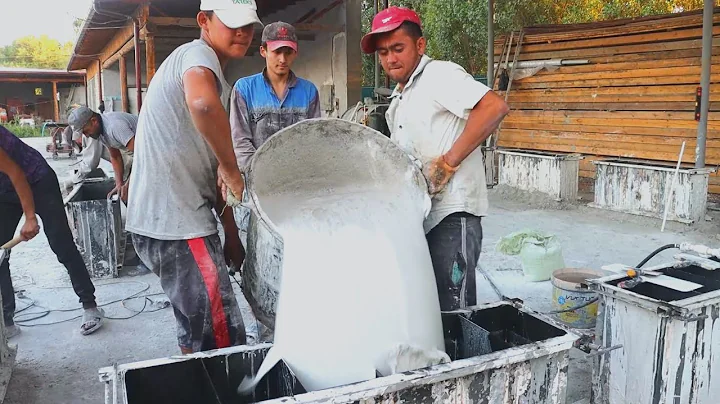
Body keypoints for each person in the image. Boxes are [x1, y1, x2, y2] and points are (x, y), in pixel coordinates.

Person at [126, 0, 261, 354]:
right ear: (204, 20)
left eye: (248, 25)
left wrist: (231, 233)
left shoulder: (214, 78)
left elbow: (211, 166)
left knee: (196, 332)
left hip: (172, 222)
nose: (242, 33)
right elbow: (202, 104)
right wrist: (233, 170)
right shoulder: (197, 55)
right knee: (224, 340)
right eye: (232, 24)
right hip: (177, 224)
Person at [361, 7, 510, 311]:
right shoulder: (401, 97)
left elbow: (494, 107)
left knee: (454, 311)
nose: (390, 59)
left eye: (398, 48)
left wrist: (448, 162)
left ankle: (460, 360)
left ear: (420, 45)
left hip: (453, 217)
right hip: (424, 218)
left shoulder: (439, 75)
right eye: (383, 52)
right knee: (429, 310)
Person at [0, 125, 105, 338]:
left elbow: (16, 173)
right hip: (4, 190)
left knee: (61, 244)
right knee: (0, 253)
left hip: (36, 180)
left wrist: (30, 217)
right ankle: (6, 321)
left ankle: (90, 306)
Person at [230, 21, 321, 170]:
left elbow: (313, 138)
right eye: (276, 52)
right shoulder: (244, 89)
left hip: (297, 177)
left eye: (288, 52)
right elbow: (240, 141)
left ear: (295, 53)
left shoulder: (309, 91)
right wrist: (260, 174)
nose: (283, 59)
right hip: (257, 177)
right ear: (263, 51)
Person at [68, 107, 137, 202]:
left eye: (86, 131)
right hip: (141, 154)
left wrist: (129, 185)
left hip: (155, 150)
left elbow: (142, 156)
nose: (87, 135)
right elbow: (115, 156)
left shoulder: (115, 127)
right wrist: (119, 184)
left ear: (94, 121)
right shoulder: (100, 132)